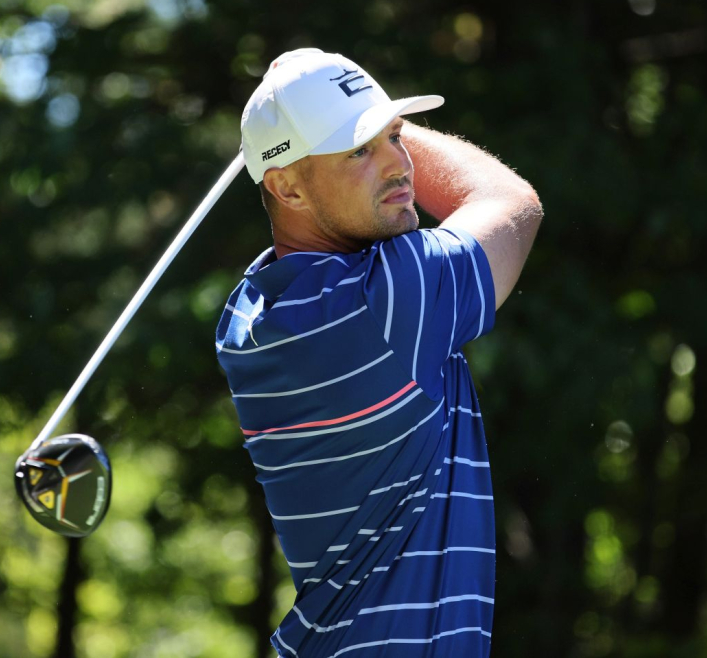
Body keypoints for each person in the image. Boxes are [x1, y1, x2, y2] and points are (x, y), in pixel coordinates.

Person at [215, 48, 542, 658]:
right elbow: (510, 201)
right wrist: (382, 114)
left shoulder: (250, 313)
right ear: (286, 185)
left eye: (396, 136)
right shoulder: (384, 300)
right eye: (360, 150)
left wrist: (348, 116)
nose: (401, 162)